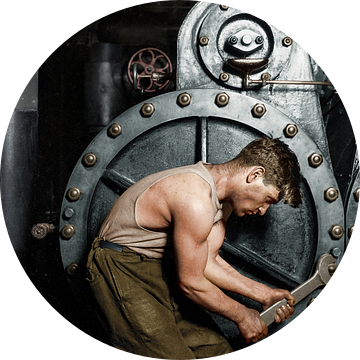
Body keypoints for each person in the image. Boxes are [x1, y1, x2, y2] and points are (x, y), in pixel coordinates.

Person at [86, 137, 302, 359]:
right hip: (121, 266)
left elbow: (207, 261)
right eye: (267, 199)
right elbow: (190, 281)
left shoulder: (220, 200)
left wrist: (264, 294)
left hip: (158, 267)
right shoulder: (195, 198)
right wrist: (243, 316)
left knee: (217, 350)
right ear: (255, 174)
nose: (263, 210)